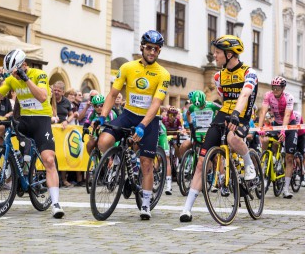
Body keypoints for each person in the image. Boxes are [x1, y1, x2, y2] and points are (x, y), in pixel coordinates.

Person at [0, 49, 64, 219]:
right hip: (24, 119)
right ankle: (13, 158)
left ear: (24, 65)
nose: (15, 77)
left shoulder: (38, 74)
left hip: (41, 121)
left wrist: (26, 79)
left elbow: (42, 96)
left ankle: (55, 204)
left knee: (48, 159)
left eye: (17, 72)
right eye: (12, 74)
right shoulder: (11, 79)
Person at [180, 35, 257, 222]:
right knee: (201, 161)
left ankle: (249, 165)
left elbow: (245, 94)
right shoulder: (218, 76)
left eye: (217, 52)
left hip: (243, 113)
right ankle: (186, 208)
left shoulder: (249, 73)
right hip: (225, 112)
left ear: (230, 54)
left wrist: (237, 115)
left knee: (232, 139)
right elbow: (223, 98)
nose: (214, 55)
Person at [97, 30, 170, 220]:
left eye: (156, 49)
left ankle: (145, 203)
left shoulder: (163, 74)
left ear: (159, 51)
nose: (152, 52)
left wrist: (143, 126)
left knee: (146, 163)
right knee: (103, 141)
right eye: (149, 48)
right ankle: (119, 160)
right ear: (142, 48)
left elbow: (156, 104)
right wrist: (103, 116)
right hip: (129, 114)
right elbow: (113, 94)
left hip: (149, 119)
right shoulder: (127, 67)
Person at [257, 76, 297, 199]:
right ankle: (270, 161)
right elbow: (263, 111)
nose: (275, 90)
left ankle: (285, 189)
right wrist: (260, 127)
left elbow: (287, 114)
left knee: (289, 157)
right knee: (268, 141)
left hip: (290, 125)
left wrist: (284, 130)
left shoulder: (289, 97)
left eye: (278, 88)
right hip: (276, 124)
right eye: (273, 87)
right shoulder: (268, 95)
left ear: (283, 88)